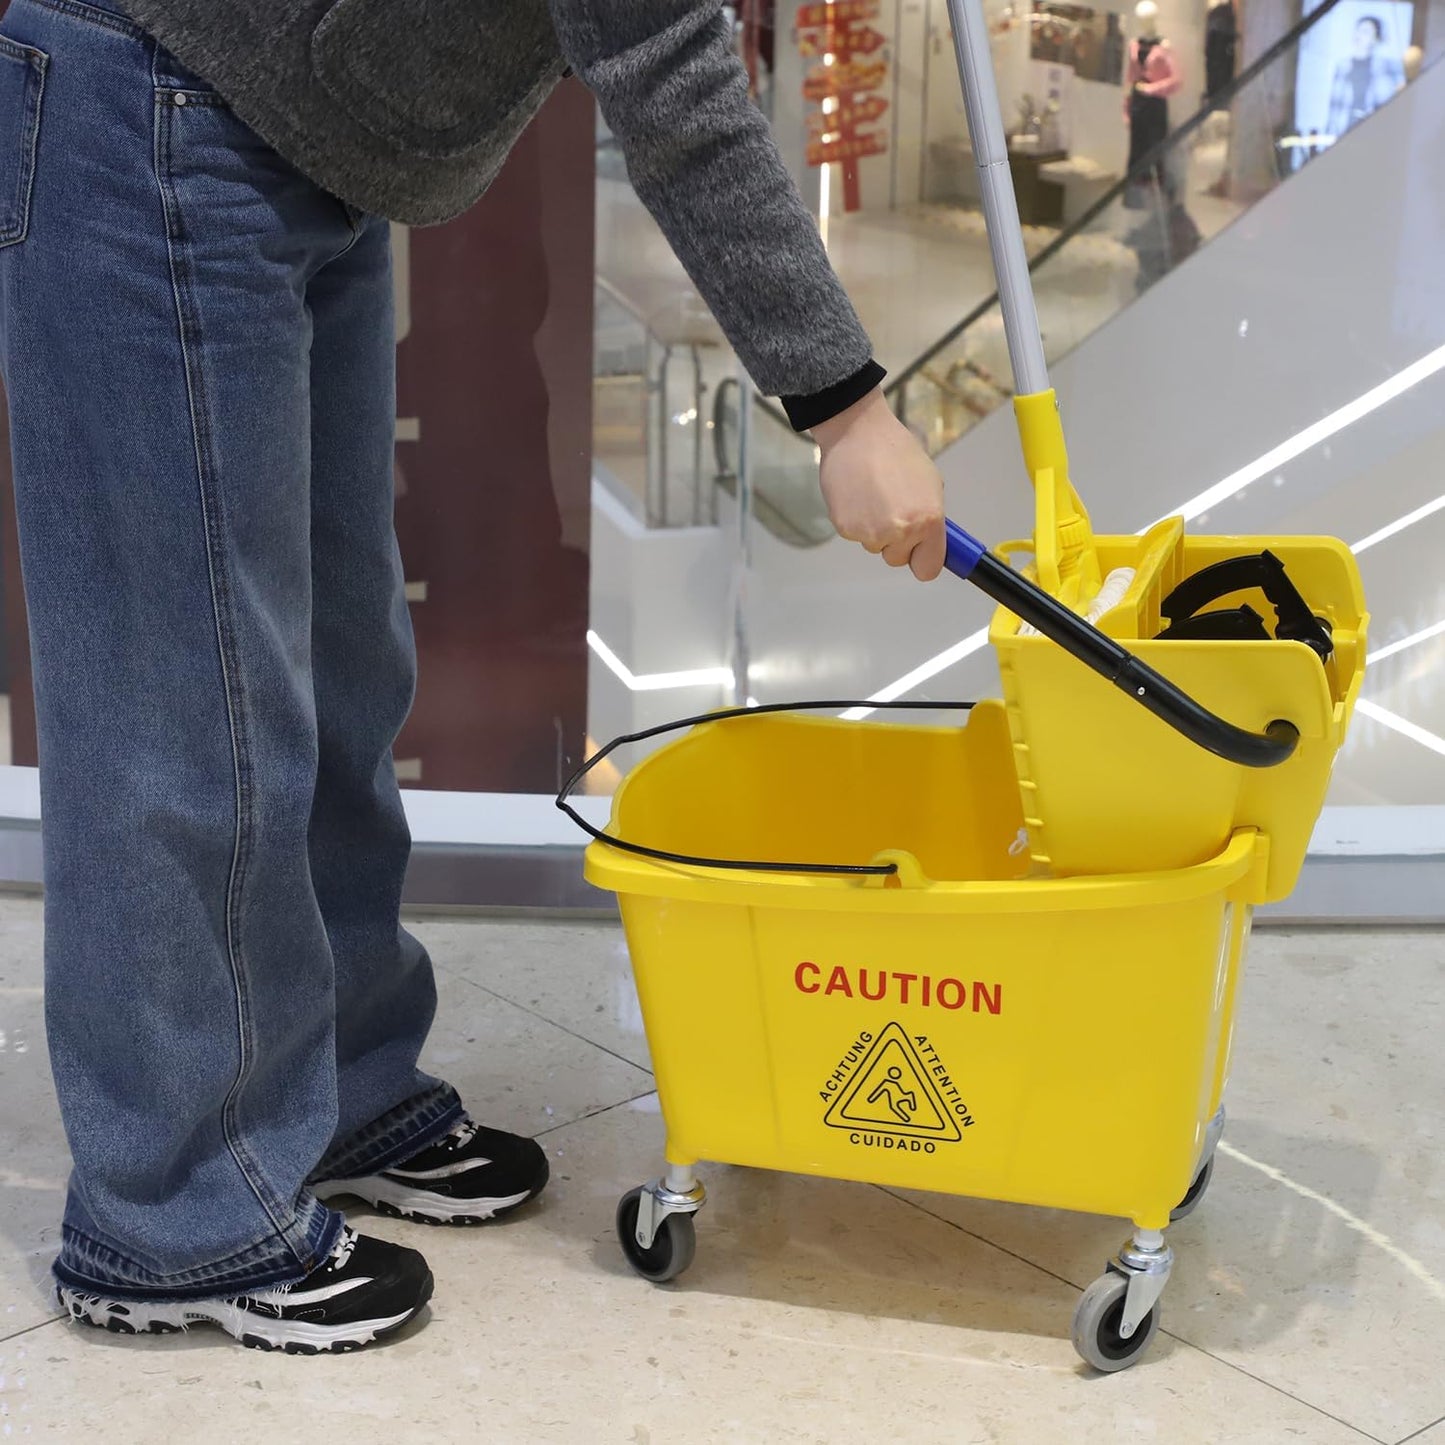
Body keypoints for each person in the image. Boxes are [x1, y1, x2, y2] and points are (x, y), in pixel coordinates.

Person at [0, 0, 948, 1353]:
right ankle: (170, 1209)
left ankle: (331, 1083)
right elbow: (663, 58)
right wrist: (842, 404)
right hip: (153, 97)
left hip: (289, 132)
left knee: (336, 657)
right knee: (188, 693)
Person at [1326, 15, 1405, 140]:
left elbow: (1393, 103)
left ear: (1376, 38)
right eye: (1358, 30)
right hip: (1344, 132)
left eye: (1366, 32)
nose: (1359, 35)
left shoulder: (1387, 67)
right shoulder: (1342, 66)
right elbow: (1334, 106)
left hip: (1374, 135)